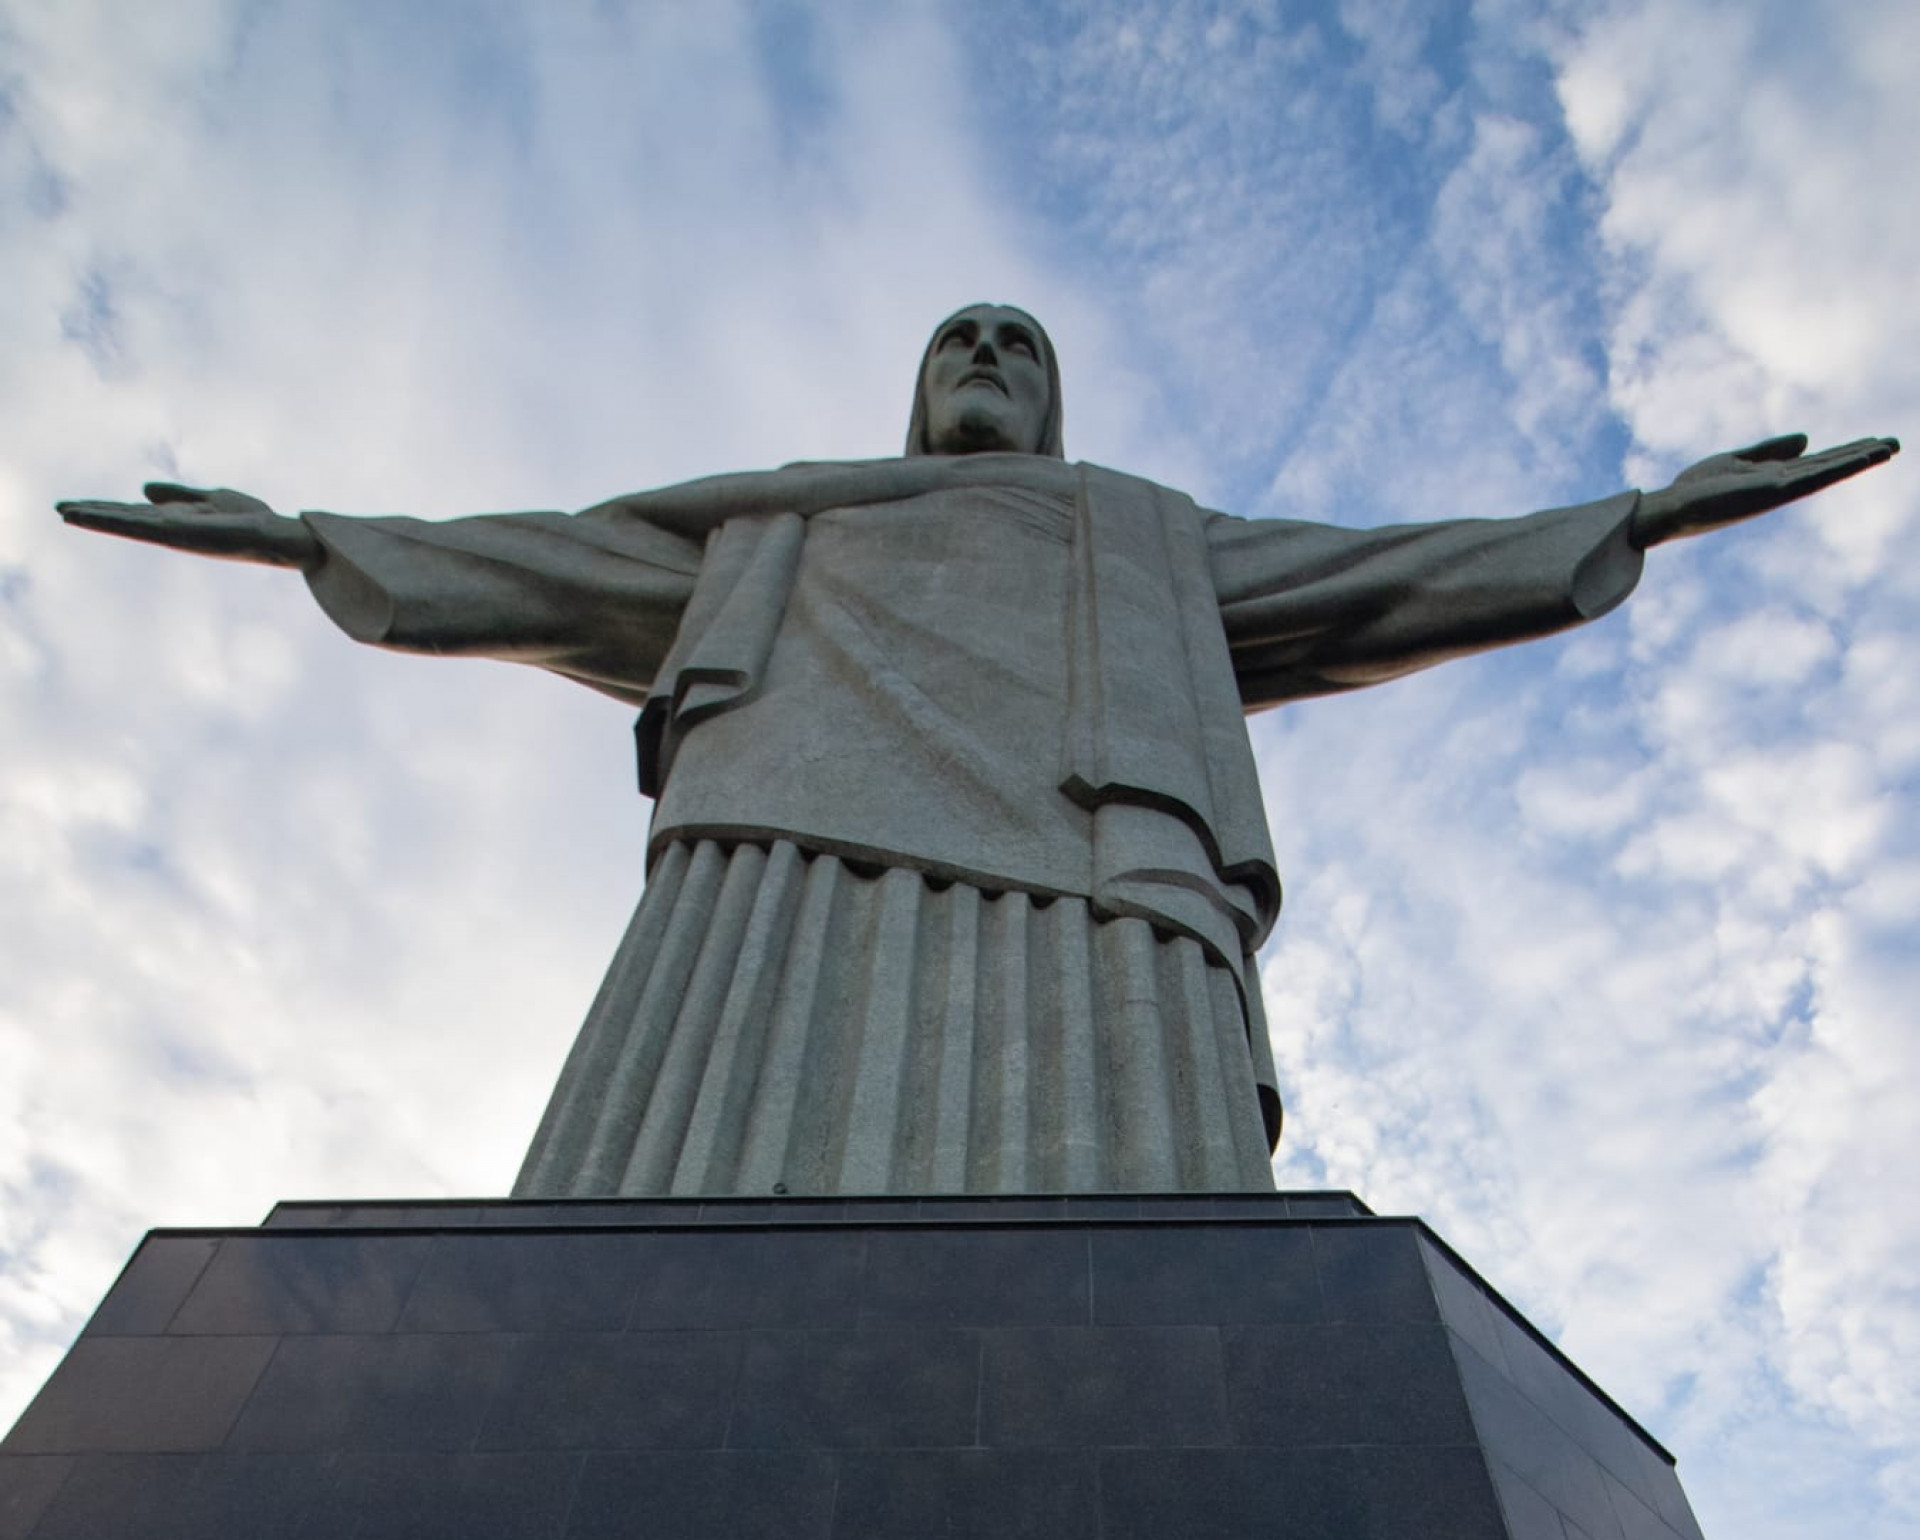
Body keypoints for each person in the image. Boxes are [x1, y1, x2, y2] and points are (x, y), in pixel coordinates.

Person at [57, 306, 1897, 1197]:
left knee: (1143, 1208)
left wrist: (1635, 515)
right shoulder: (792, 516)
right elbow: (551, 556)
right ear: (918, 390)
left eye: (1019, 342)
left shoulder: (1141, 538)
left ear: (1056, 396)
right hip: (776, 866)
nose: (989, 357)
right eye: (960, 340)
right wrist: (315, 537)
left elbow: (1374, 575)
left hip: (1106, 875)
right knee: (678, 1186)